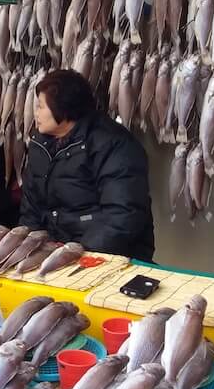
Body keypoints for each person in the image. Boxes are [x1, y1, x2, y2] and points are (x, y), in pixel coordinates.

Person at [20, 69, 154, 261]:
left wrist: (75, 255)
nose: (35, 113)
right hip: (55, 255)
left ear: (62, 108)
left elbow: (122, 215)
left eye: (41, 106)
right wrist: (31, 250)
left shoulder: (113, 144)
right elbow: (30, 210)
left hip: (108, 258)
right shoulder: (40, 144)